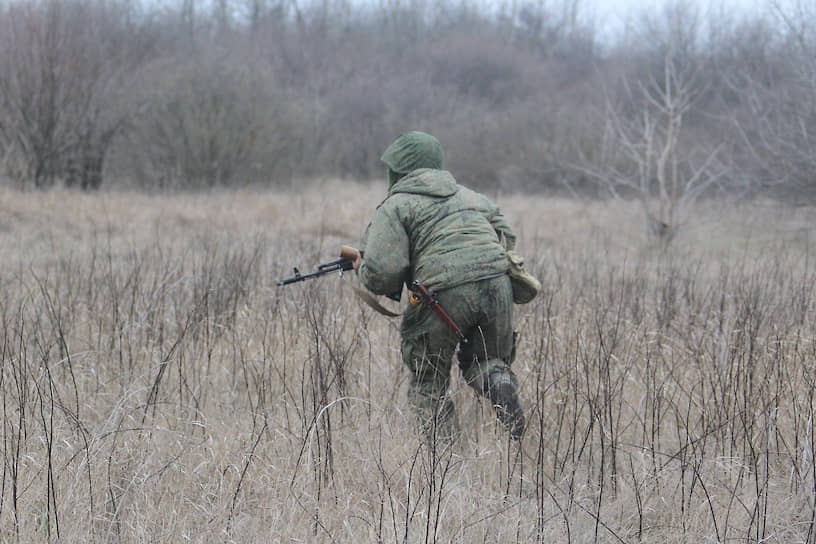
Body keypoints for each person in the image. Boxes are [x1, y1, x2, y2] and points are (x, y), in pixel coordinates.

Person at [351, 131, 525, 443]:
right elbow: (506, 235)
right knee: (487, 361)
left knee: (428, 382)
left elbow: (382, 274)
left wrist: (362, 269)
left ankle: (447, 466)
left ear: (399, 170)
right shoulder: (473, 197)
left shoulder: (397, 205)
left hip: (442, 294)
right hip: (497, 283)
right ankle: (499, 381)